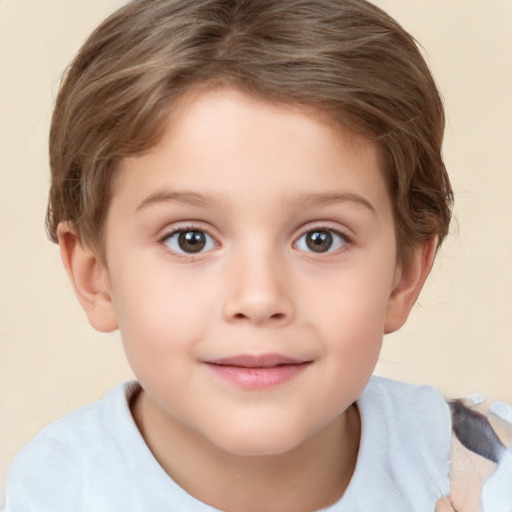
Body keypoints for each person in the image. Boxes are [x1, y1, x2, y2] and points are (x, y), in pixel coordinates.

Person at [2, 0, 510, 510]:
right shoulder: (56, 492)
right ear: (97, 278)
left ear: (404, 276)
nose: (259, 297)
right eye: (190, 239)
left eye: (320, 239)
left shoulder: (483, 470)